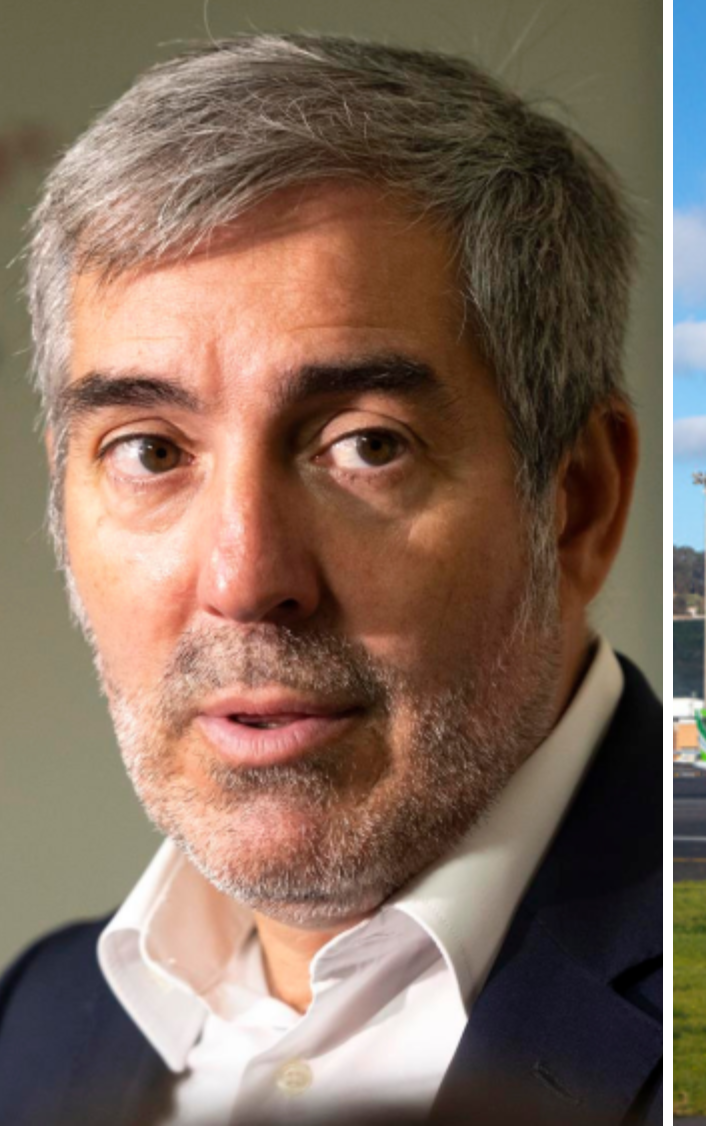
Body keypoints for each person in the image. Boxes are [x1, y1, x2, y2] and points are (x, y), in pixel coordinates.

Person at [0, 33, 659, 1125]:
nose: (245, 578)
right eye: (151, 451)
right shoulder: (32, 1026)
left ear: (577, 501)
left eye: (365, 445)